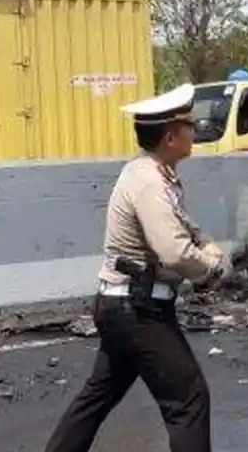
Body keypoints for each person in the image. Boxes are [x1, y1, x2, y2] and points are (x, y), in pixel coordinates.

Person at [43, 83, 231, 452]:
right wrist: (210, 271)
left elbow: (185, 228)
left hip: (122, 305)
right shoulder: (149, 183)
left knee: (98, 396)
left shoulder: (151, 175)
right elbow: (174, 251)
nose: (194, 131)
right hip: (138, 311)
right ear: (171, 136)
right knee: (188, 400)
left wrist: (207, 246)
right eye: (188, 126)